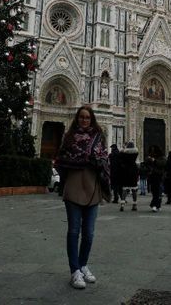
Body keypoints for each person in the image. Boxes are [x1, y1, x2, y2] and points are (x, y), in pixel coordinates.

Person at [55, 106, 110, 290]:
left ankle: (83, 265)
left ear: (92, 119)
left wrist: (96, 162)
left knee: (89, 234)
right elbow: (61, 161)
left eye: (87, 117)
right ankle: (75, 271)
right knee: (73, 231)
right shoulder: (69, 138)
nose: (84, 120)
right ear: (77, 119)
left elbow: (104, 161)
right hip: (73, 188)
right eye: (82, 117)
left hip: (92, 189)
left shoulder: (99, 139)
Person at [118, 141, 139, 211]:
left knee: (124, 188)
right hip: (133, 171)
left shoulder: (124, 153)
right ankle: (134, 205)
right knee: (134, 189)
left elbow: (120, 157)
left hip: (126, 171)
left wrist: (123, 149)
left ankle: (122, 204)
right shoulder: (136, 153)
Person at [146, 145, 166, 212]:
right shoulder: (151, 157)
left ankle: (155, 205)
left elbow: (162, 164)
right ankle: (157, 205)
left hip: (159, 176)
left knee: (157, 191)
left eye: (154, 151)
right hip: (152, 176)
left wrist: (154, 160)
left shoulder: (162, 158)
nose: (153, 152)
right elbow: (147, 165)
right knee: (154, 191)